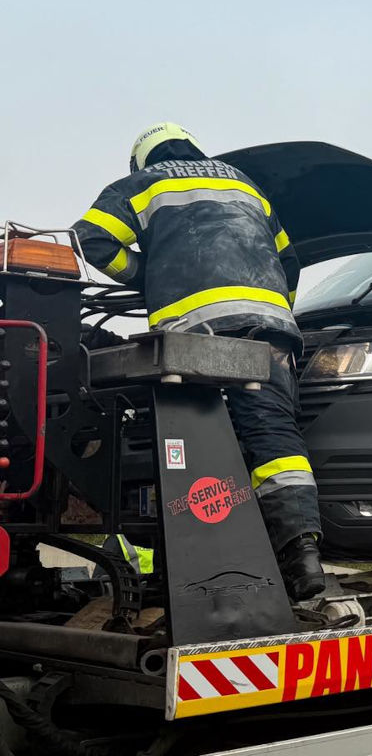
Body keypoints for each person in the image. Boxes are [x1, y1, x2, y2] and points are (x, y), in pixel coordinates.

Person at [71, 122, 324, 600]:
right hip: (268, 333)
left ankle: (207, 563)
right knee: (273, 439)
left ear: (142, 158)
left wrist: (149, 275)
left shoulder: (146, 183)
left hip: (196, 338)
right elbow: (288, 264)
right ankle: (302, 557)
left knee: (194, 443)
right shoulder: (245, 186)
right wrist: (273, 310)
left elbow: (91, 239)